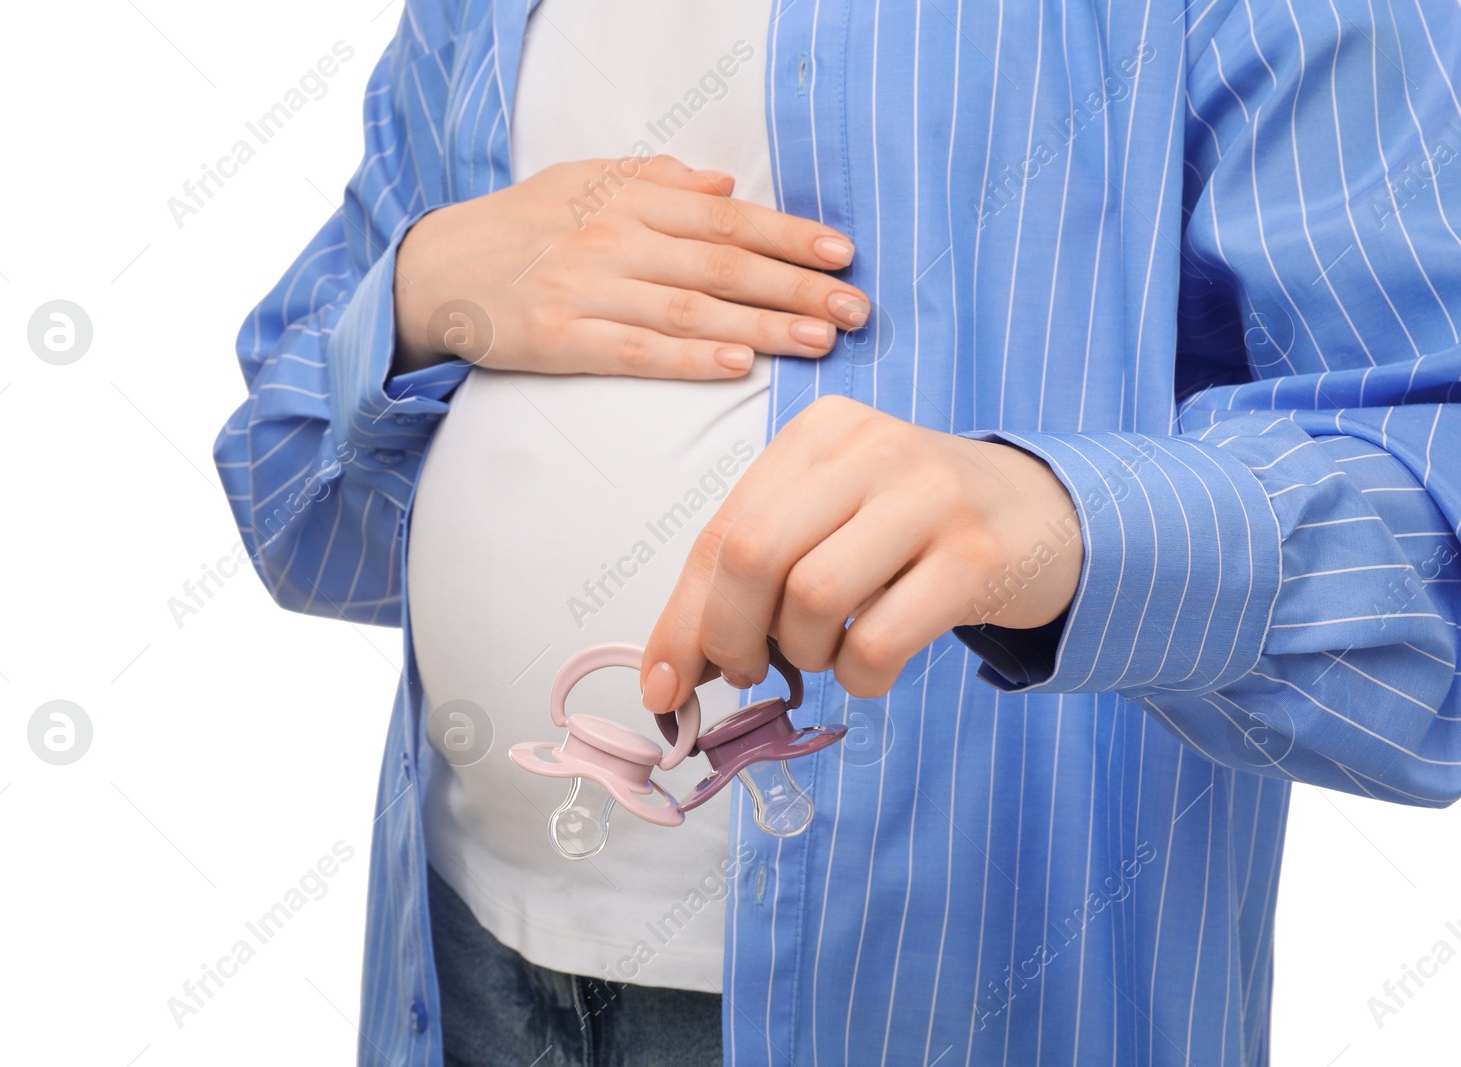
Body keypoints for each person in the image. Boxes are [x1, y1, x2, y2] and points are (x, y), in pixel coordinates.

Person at [214, 0, 1461, 1063]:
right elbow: (289, 495)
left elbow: (1430, 567)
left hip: (953, 1002)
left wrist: (1074, 527)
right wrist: (422, 293)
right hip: (456, 954)